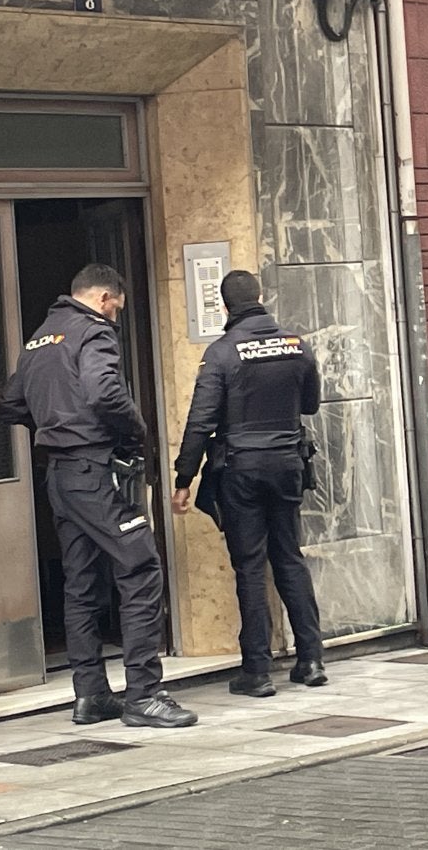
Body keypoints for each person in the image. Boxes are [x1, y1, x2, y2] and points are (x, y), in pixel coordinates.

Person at [0, 263, 197, 729]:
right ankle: (145, 694)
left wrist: (55, 429)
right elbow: (106, 391)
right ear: (106, 298)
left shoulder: (42, 336)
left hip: (60, 477)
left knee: (81, 584)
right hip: (93, 473)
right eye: (117, 309)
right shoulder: (94, 332)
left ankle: (90, 696)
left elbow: (8, 404)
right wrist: (135, 435)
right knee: (142, 567)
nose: (116, 317)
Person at [171, 269, 328, 698]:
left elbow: (201, 421)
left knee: (251, 567)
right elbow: (310, 405)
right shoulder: (297, 345)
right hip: (288, 465)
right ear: (260, 296)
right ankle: (311, 660)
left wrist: (184, 479)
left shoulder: (221, 354)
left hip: (241, 470)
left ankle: (257, 671)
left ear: (224, 306)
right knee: (290, 558)